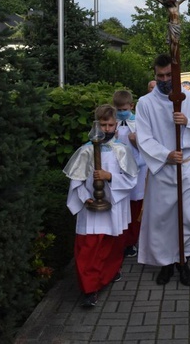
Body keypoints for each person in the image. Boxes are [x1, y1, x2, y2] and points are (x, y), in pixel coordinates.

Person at [135, 53, 190, 286]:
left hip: (187, 167)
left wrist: (188, 123)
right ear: (154, 75)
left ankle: (183, 261)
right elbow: (143, 137)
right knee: (163, 219)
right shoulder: (145, 103)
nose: (165, 79)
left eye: (169, 74)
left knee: (189, 217)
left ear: (176, 74)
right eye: (160, 75)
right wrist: (165, 155)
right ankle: (166, 263)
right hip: (163, 170)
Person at [63, 104, 138, 307]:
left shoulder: (121, 150)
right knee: (89, 248)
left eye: (110, 125)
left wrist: (110, 176)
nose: (106, 129)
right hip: (91, 210)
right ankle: (89, 289)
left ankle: (108, 274)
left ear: (116, 126)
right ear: (96, 125)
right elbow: (76, 181)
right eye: (103, 124)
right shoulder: (86, 151)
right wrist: (85, 197)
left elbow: (131, 180)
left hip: (114, 206)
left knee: (111, 245)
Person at [112, 90, 148, 258]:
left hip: (137, 170)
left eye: (124, 109)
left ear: (131, 106)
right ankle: (120, 239)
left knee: (134, 208)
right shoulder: (113, 124)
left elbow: (148, 148)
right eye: (118, 109)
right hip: (118, 172)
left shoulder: (139, 123)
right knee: (120, 206)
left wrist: (136, 142)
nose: (121, 112)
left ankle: (131, 242)